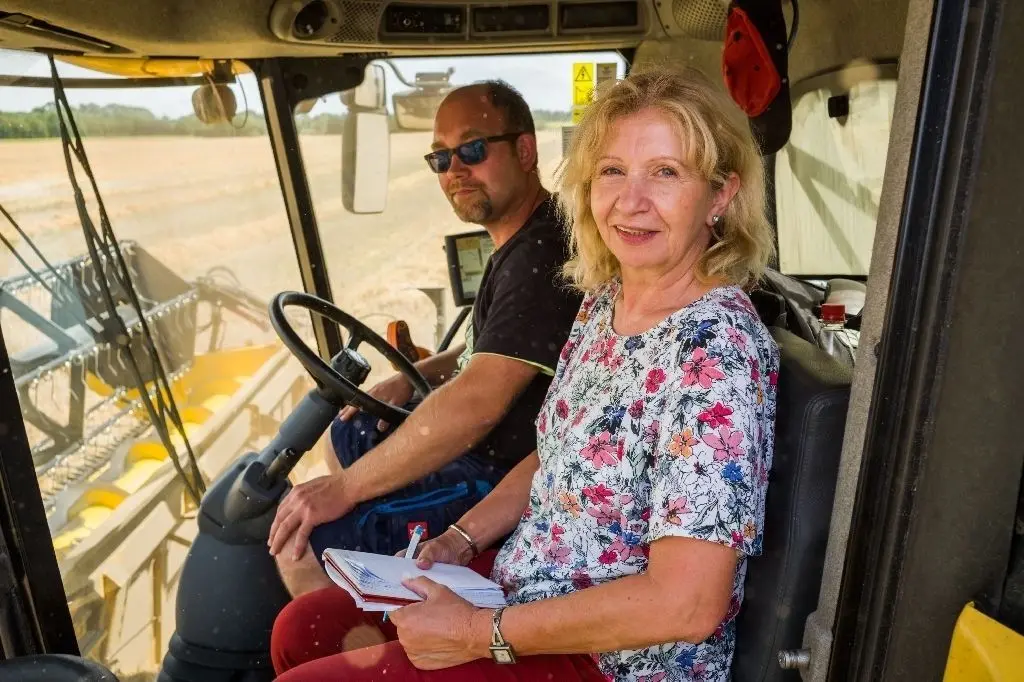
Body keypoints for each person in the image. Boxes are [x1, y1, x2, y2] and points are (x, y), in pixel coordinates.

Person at [270, 64, 780, 682]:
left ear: (721, 195)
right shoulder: (604, 302)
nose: (630, 200)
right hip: (524, 586)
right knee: (301, 631)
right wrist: (459, 540)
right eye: (612, 171)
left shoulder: (714, 350)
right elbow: (553, 454)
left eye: (666, 173)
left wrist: (476, 635)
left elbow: (687, 604)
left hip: (614, 656)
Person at [267, 80, 584, 596]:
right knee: (350, 429)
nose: (454, 169)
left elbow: (479, 401)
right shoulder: (522, 237)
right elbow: (494, 344)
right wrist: (418, 374)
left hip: (500, 470)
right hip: (486, 445)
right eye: (440, 157)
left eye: (473, 149)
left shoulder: (541, 255)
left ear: (525, 151)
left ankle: (359, 651)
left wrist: (345, 490)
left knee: (303, 541)